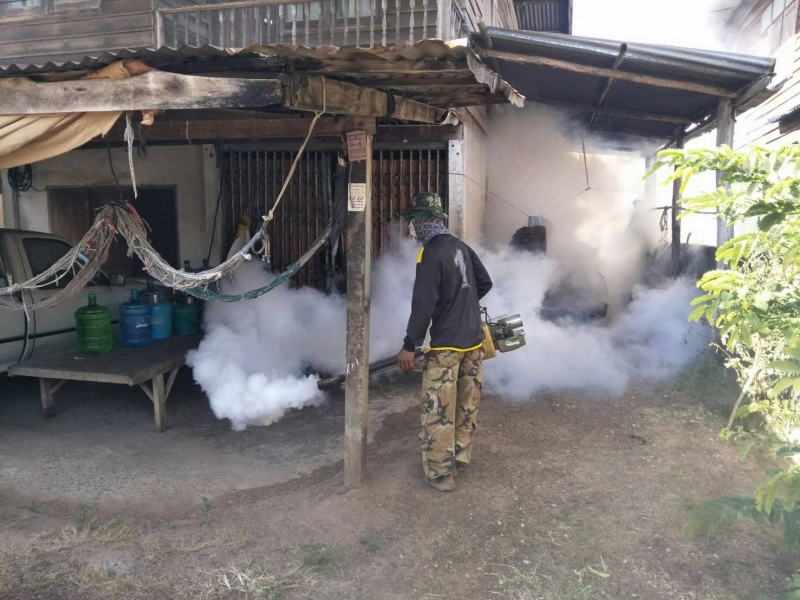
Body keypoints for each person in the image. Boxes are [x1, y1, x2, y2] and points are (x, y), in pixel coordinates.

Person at [397, 192, 493, 492]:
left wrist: (410, 344)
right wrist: (462, 304)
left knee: (439, 410)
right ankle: (460, 459)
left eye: (413, 222)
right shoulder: (461, 246)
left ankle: (441, 474)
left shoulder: (429, 254)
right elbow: (485, 283)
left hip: (446, 348)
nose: (412, 229)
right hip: (473, 343)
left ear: (421, 222)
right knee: (466, 405)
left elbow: (423, 305)